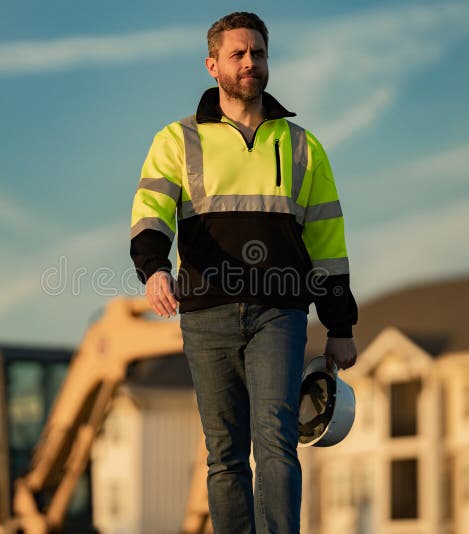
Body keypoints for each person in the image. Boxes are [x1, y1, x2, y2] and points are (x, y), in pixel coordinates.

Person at [129, 12, 358, 534]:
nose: (250, 62)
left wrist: (340, 324)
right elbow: (150, 211)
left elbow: (328, 240)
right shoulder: (177, 140)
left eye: (258, 52)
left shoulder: (302, 145)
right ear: (213, 65)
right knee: (225, 452)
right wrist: (153, 269)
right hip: (205, 312)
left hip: (279, 313)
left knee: (275, 439)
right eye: (238, 53)